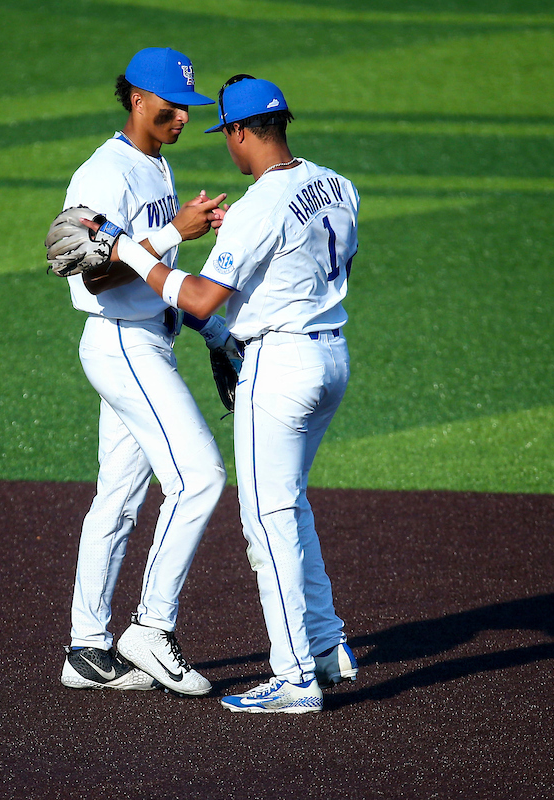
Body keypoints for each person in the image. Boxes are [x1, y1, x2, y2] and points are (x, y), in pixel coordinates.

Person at [91, 76, 361, 713]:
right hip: (331, 356)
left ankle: (295, 677)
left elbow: (200, 297)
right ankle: (324, 647)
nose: (227, 151)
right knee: (290, 506)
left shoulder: (263, 202)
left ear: (241, 131)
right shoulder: (337, 184)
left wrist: (129, 249)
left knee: (266, 521)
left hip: (281, 366)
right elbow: (306, 263)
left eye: (227, 137)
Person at [57, 47, 236, 698]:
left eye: (187, 108)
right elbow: (89, 270)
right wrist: (174, 234)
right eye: (170, 106)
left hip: (146, 342)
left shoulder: (154, 163)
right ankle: (151, 628)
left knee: (120, 500)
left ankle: (86, 649)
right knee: (200, 478)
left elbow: (149, 274)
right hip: (122, 343)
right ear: (135, 98)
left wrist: (210, 328)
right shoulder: (104, 174)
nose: (181, 117)